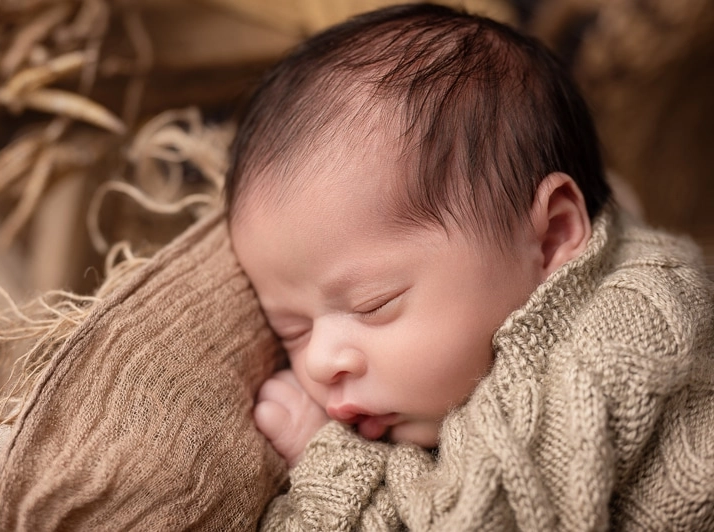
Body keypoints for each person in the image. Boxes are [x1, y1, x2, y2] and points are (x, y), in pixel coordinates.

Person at [225, 3, 714, 530]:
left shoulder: (613, 344)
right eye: (291, 330)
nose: (319, 363)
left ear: (550, 239)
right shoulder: (481, 348)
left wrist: (321, 455)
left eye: (373, 304)